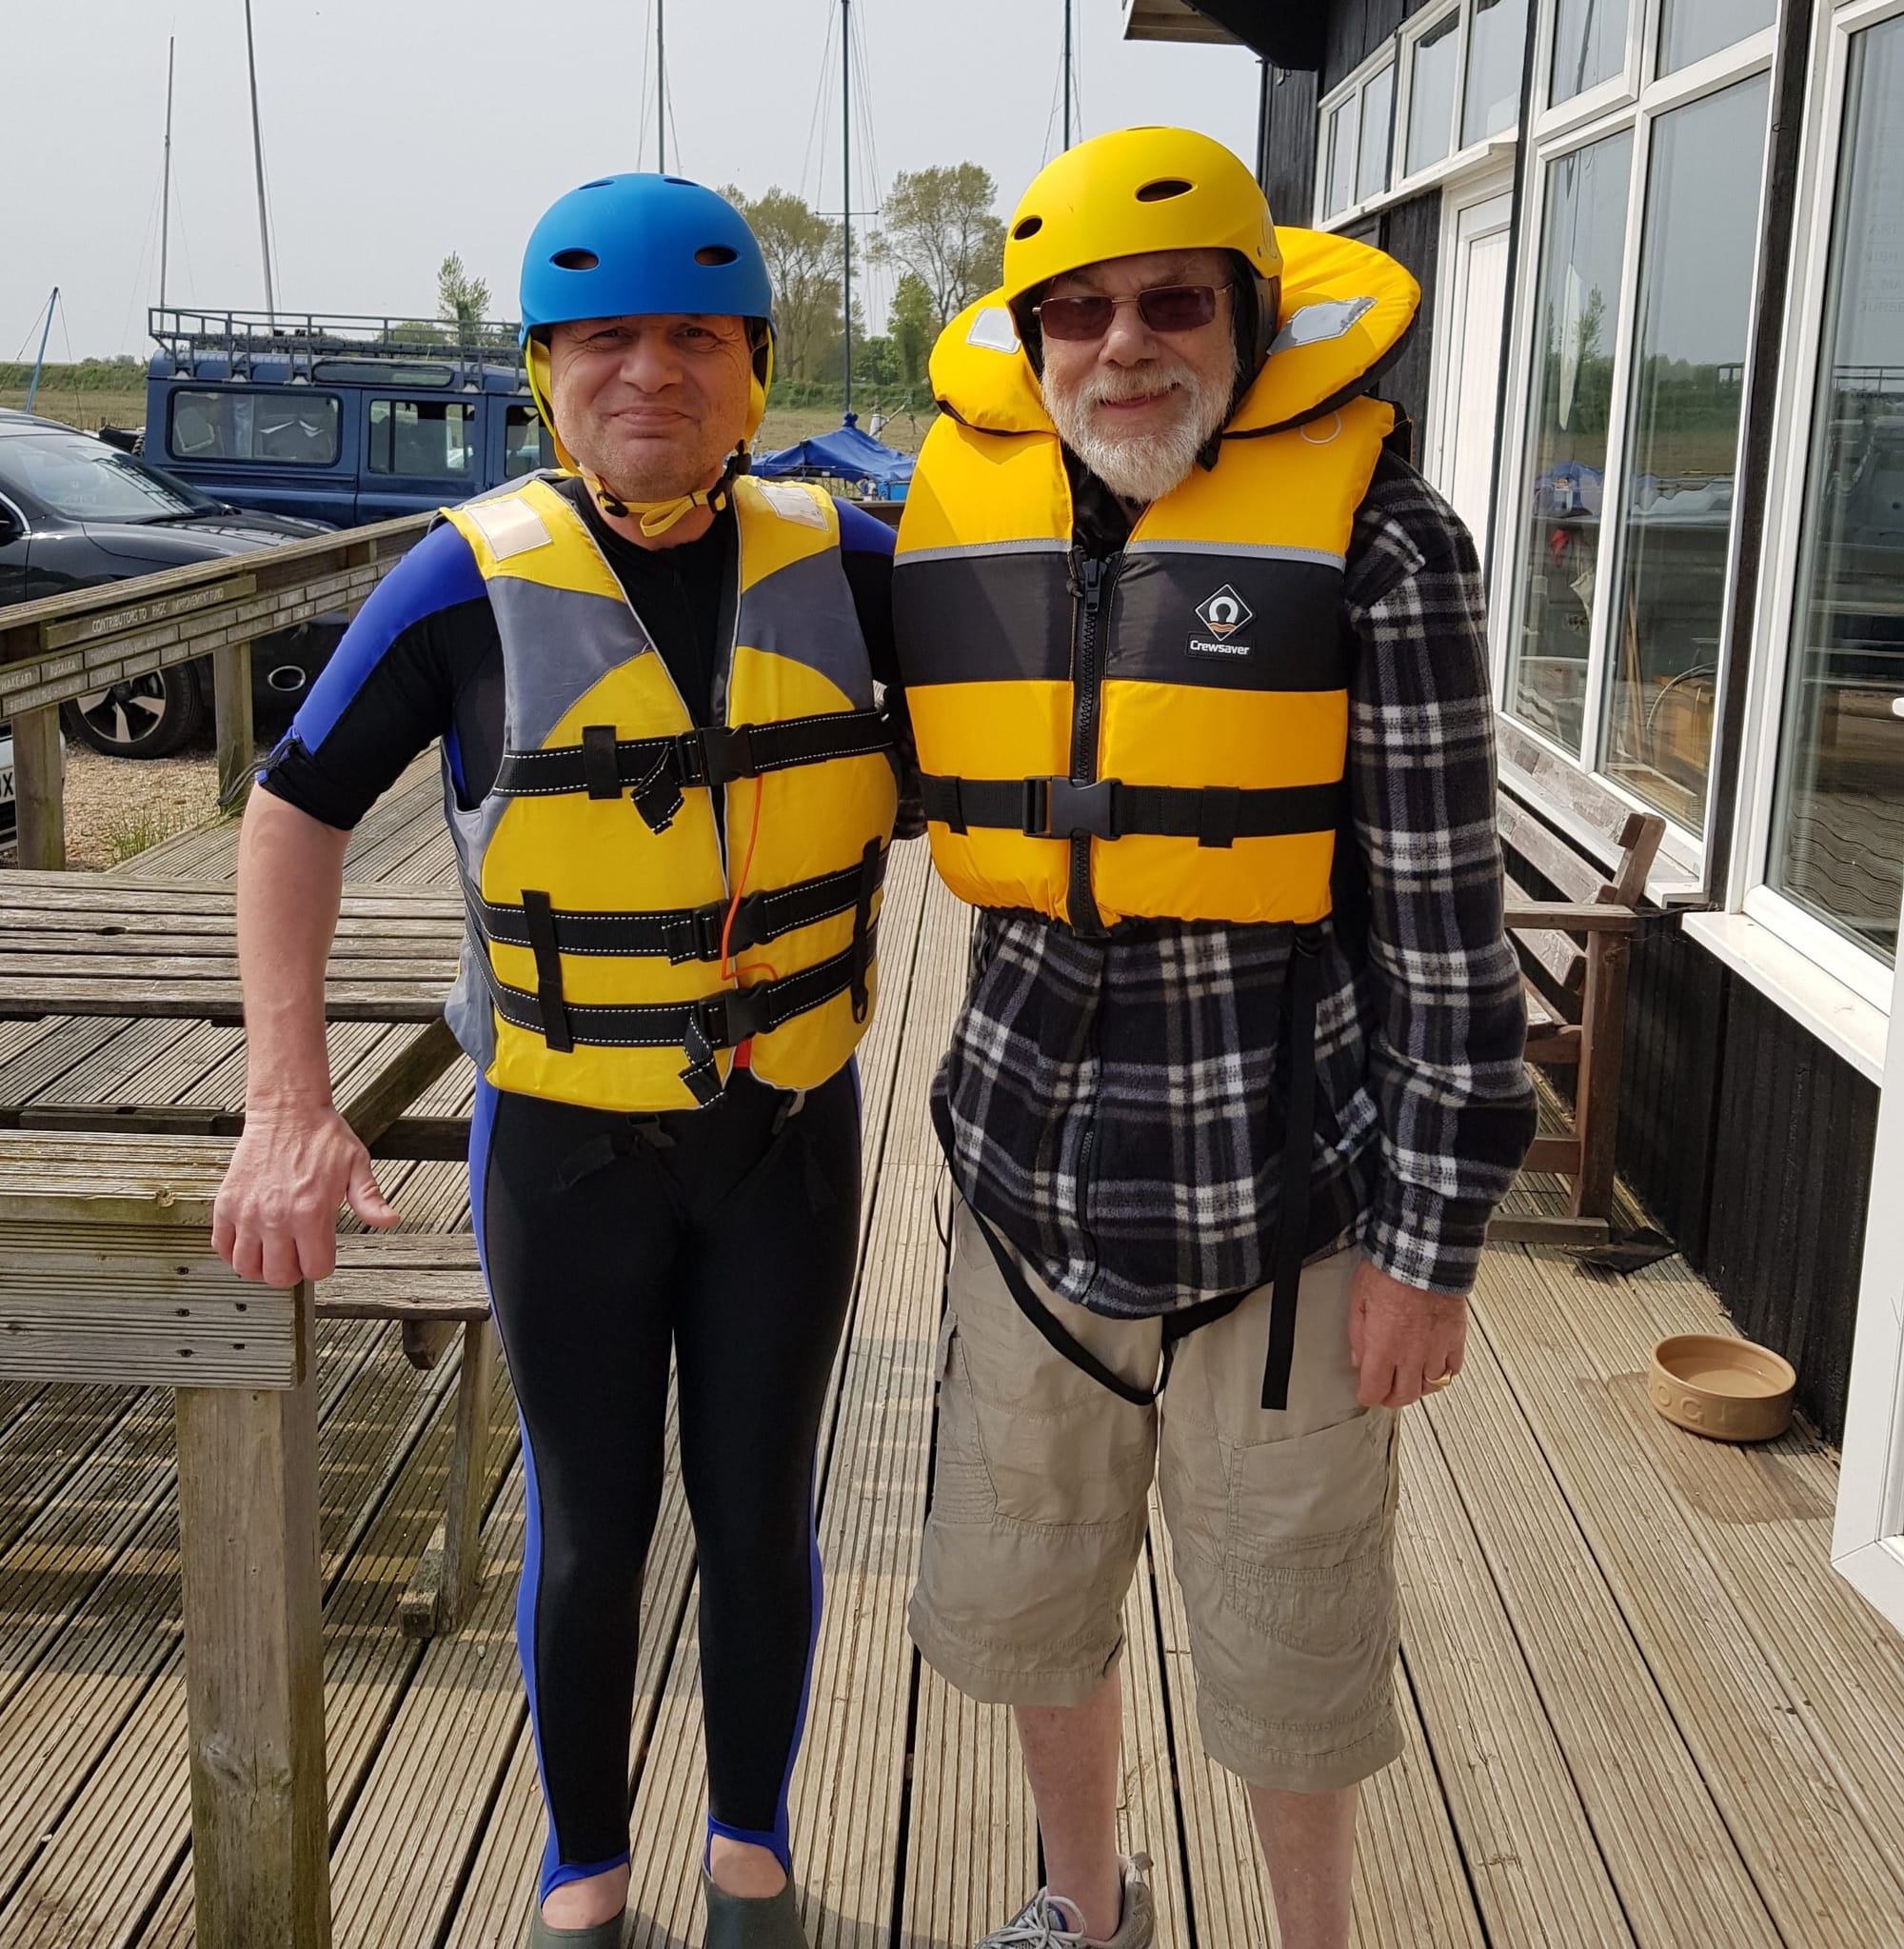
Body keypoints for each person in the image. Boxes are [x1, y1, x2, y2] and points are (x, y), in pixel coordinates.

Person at [212, 173, 912, 1949]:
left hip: (787, 1133)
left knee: (757, 1508)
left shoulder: (858, 569)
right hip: (561, 1145)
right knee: (594, 1519)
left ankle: (749, 1858)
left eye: (694, 338)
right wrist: (286, 1104)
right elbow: (290, 812)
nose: (649, 372)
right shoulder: (463, 579)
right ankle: (584, 1880)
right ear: (543, 369)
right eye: (603, 338)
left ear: (757, 370)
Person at [891, 128, 1537, 1949]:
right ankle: (1084, 1905)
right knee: (1035, 1598)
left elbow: (1445, 921)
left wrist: (1432, 1246)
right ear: (1030, 345)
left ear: (1251, 321)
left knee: (1292, 1634)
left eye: (1174, 304)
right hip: (1021, 1186)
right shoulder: (955, 530)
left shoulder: (1387, 543)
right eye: (1077, 312)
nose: (1124, 346)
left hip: (1288, 1208)